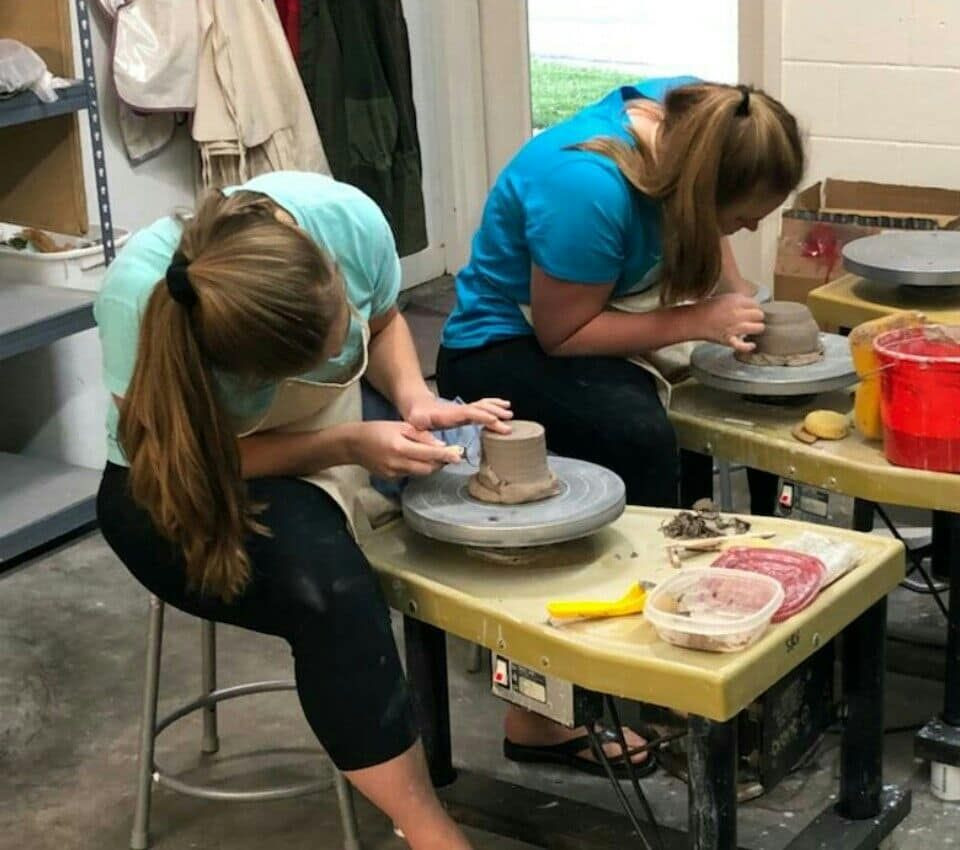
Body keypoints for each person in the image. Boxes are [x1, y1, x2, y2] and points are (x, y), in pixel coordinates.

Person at [94, 172, 512, 850]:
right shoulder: (136, 300)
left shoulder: (345, 220)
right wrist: (344, 444)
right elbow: (177, 456)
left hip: (332, 425)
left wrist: (414, 398)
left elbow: (383, 322)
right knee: (332, 594)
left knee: (474, 481)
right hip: (177, 475)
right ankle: (428, 828)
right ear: (249, 374)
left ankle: (540, 721)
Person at [436, 78, 804, 774]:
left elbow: (709, 221)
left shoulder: (702, 115)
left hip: (600, 310)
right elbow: (563, 334)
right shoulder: (586, 187)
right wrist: (696, 320)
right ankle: (561, 704)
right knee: (638, 437)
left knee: (696, 420)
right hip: (500, 348)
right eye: (743, 218)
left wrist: (735, 297)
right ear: (701, 188)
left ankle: (689, 617)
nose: (750, 231)